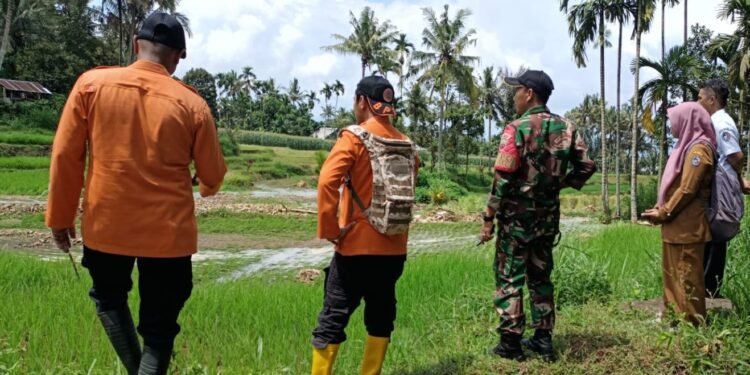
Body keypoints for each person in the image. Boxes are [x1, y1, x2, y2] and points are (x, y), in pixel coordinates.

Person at [46, 12, 226, 375]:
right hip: (169, 237)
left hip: (107, 227)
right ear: (178, 56)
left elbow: (67, 155)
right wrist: (203, 185)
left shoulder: (91, 85)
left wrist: (60, 218)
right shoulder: (193, 105)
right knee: (160, 330)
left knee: (109, 298)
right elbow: (212, 176)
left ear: (134, 44)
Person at [479, 70, 595, 362]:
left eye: (516, 90)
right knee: (541, 277)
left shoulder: (516, 128)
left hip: (516, 220)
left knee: (510, 277)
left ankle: (510, 343)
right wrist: (559, 183)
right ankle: (543, 339)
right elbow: (587, 166)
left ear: (529, 93)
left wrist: (488, 216)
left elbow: (502, 177)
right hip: (546, 220)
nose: (514, 96)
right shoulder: (567, 128)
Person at [311, 75, 418, 375]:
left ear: (362, 101)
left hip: (355, 249)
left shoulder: (354, 138)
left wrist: (330, 230)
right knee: (381, 315)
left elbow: (326, 182)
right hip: (394, 249)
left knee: (333, 318)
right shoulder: (406, 144)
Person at [642, 102, 716, 327]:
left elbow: (687, 189)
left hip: (688, 228)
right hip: (678, 226)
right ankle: (674, 319)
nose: (671, 123)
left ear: (688, 120)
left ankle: (692, 324)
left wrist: (664, 211)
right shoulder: (687, 147)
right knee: (673, 277)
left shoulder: (699, 150)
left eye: (675, 118)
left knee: (686, 279)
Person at [697, 79, 750, 298]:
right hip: (718, 184)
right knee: (711, 233)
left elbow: (735, 156)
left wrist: (739, 179)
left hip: (722, 185)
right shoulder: (714, 121)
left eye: (700, 98)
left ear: (712, 99)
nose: (697, 102)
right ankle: (707, 287)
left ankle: (710, 289)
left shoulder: (720, 123)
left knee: (716, 233)